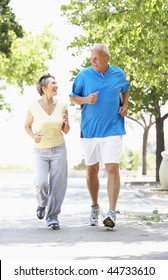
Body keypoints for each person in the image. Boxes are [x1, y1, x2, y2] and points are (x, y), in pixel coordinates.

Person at [70, 44, 130, 229]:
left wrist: (125, 104)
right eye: (91, 58)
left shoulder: (118, 74)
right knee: (91, 170)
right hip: (89, 131)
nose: (92, 61)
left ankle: (111, 212)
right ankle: (95, 206)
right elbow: (73, 97)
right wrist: (86, 99)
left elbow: (125, 89)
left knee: (112, 167)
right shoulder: (84, 75)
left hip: (112, 129)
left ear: (107, 59)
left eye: (96, 58)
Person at [24, 72, 70, 230]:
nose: (56, 86)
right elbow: (27, 126)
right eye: (53, 83)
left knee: (57, 185)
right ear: (44, 88)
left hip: (59, 149)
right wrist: (33, 136)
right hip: (40, 151)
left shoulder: (63, 105)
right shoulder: (33, 106)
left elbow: (66, 130)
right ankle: (42, 203)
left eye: (56, 83)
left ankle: (52, 217)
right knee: (41, 182)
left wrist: (65, 122)